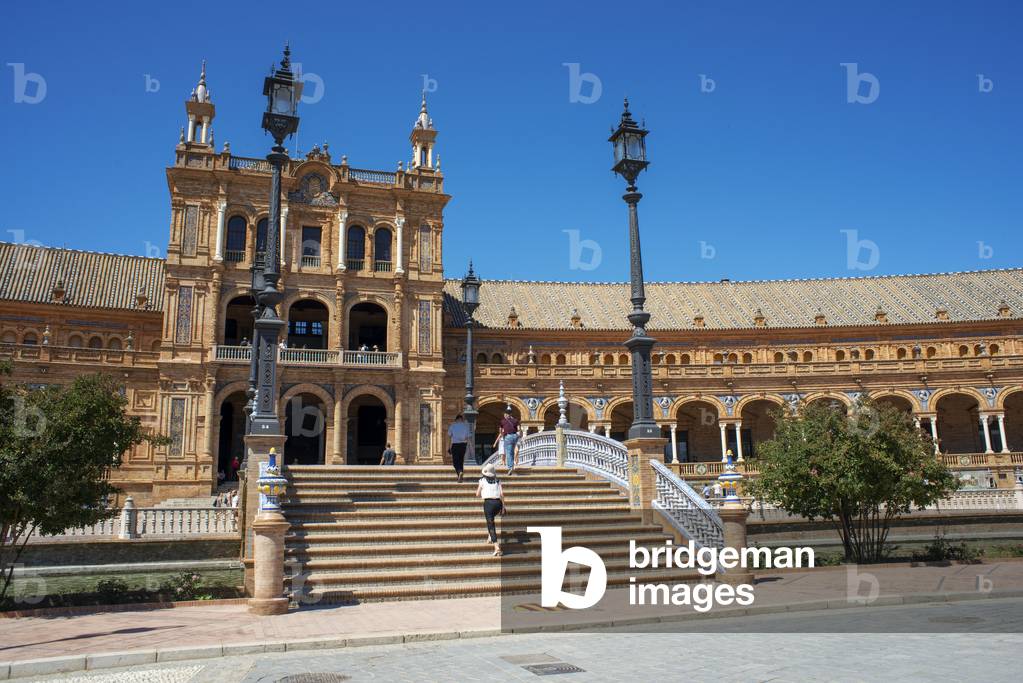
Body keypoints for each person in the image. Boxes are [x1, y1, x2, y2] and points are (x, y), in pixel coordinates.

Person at [476, 462, 505, 556]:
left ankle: (496, 547)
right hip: (498, 504)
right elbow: (502, 494)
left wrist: (483, 493)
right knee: (491, 519)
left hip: (488, 504)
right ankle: (490, 537)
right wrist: (503, 507)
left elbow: (477, 494)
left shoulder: (482, 480)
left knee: (491, 525)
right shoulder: (498, 480)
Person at [447, 414, 470, 482]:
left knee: (455, 462)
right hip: (463, 445)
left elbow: (449, 437)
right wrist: (467, 446)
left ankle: (459, 472)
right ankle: (460, 477)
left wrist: (449, 447)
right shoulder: (466, 426)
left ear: (456, 419)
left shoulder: (453, 426)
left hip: (455, 445)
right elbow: (468, 437)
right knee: (461, 461)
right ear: (461, 419)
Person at [498, 408, 520, 474]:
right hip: (515, 436)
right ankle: (512, 466)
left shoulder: (503, 421)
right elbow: (519, 429)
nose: (504, 415)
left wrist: (503, 435)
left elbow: (500, 430)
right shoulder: (515, 420)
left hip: (508, 436)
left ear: (507, 414)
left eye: (505, 414)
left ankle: (510, 467)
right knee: (512, 452)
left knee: (508, 452)